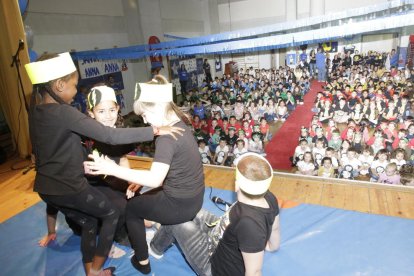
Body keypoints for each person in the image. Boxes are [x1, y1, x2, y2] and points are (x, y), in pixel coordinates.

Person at [25, 53, 182, 276]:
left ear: (117, 110)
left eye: (112, 110)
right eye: (74, 86)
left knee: (91, 221)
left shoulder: (36, 112)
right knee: (110, 213)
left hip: (47, 189)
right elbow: (110, 137)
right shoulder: (65, 114)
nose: (75, 92)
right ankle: (97, 270)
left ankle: (91, 271)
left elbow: (50, 163)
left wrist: (51, 229)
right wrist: (155, 130)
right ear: (59, 85)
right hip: (72, 188)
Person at [85, 75, 205, 274]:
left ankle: (142, 262)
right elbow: (170, 172)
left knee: (132, 208)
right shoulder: (181, 125)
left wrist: (111, 169)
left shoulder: (166, 139)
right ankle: (157, 245)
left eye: (145, 115)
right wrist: (138, 181)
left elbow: (156, 179)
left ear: (157, 108)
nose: (145, 120)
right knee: (145, 196)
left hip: (181, 205)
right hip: (194, 198)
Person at [149, 153, 280, 276]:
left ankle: (155, 248)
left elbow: (255, 272)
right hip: (222, 234)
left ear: (236, 185)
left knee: (175, 221)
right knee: (185, 210)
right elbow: (275, 228)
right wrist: (272, 246)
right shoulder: (269, 197)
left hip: (213, 265)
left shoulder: (249, 224)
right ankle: (163, 232)